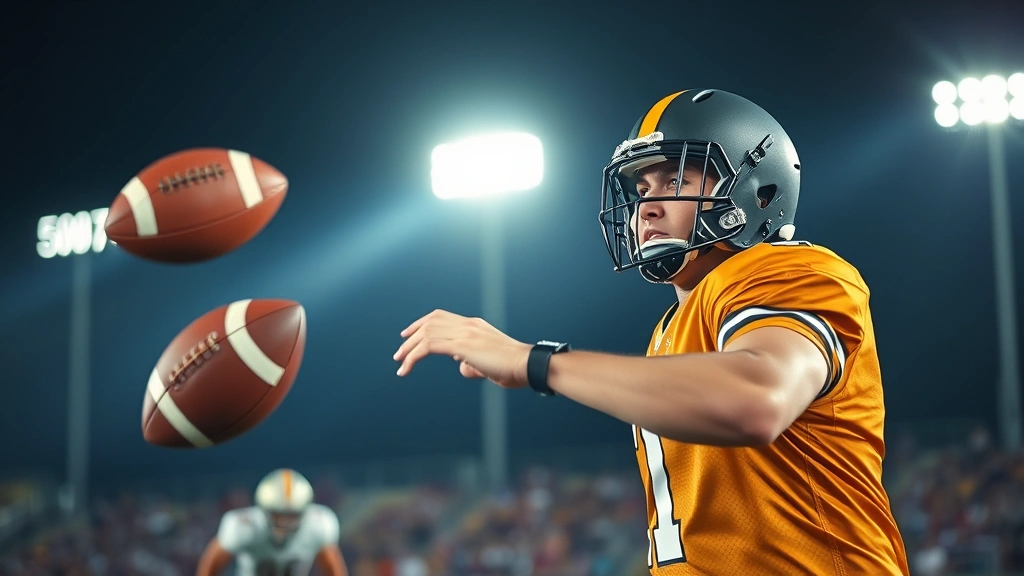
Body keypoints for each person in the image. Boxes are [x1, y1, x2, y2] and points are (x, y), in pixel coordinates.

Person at [393, 88, 910, 575]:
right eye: (641, 189)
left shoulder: (795, 271)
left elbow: (758, 398)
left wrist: (535, 361)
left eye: (675, 181)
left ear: (758, 191)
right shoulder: (672, 329)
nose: (648, 206)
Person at [197, 468, 348, 576]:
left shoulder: (318, 524)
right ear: (263, 508)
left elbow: (332, 567)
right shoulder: (243, 526)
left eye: (292, 515)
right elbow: (211, 566)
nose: (285, 522)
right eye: (278, 514)